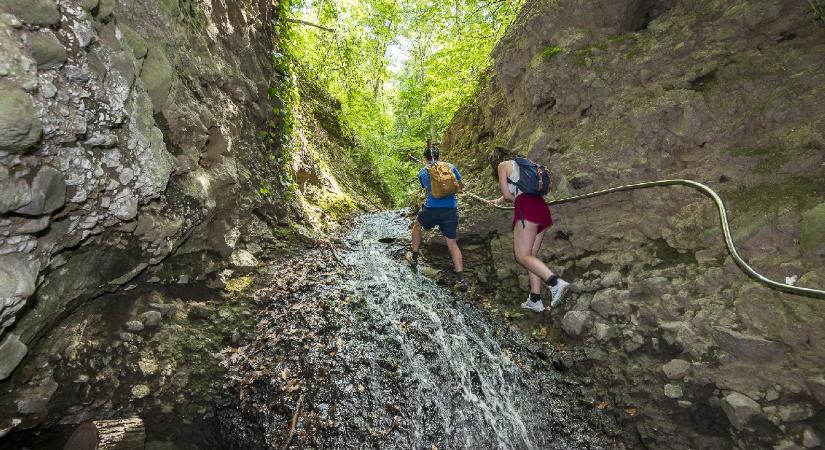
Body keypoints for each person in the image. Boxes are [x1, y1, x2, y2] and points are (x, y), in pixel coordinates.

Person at [487, 147, 569, 312]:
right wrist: (498, 200)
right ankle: (535, 299)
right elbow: (512, 191)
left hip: (527, 210)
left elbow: (509, 194)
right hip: (541, 208)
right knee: (530, 256)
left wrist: (508, 198)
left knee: (522, 256)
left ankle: (555, 283)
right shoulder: (520, 166)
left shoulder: (502, 165)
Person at [411, 144, 467, 291]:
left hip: (432, 209)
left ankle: (414, 258)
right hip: (450, 210)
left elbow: (427, 189)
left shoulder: (423, 172)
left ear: (425, 158)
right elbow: (460, 187)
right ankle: (461, 279)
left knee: (417, 225)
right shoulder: (450, 167)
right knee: (452, 243)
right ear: (439, 156)